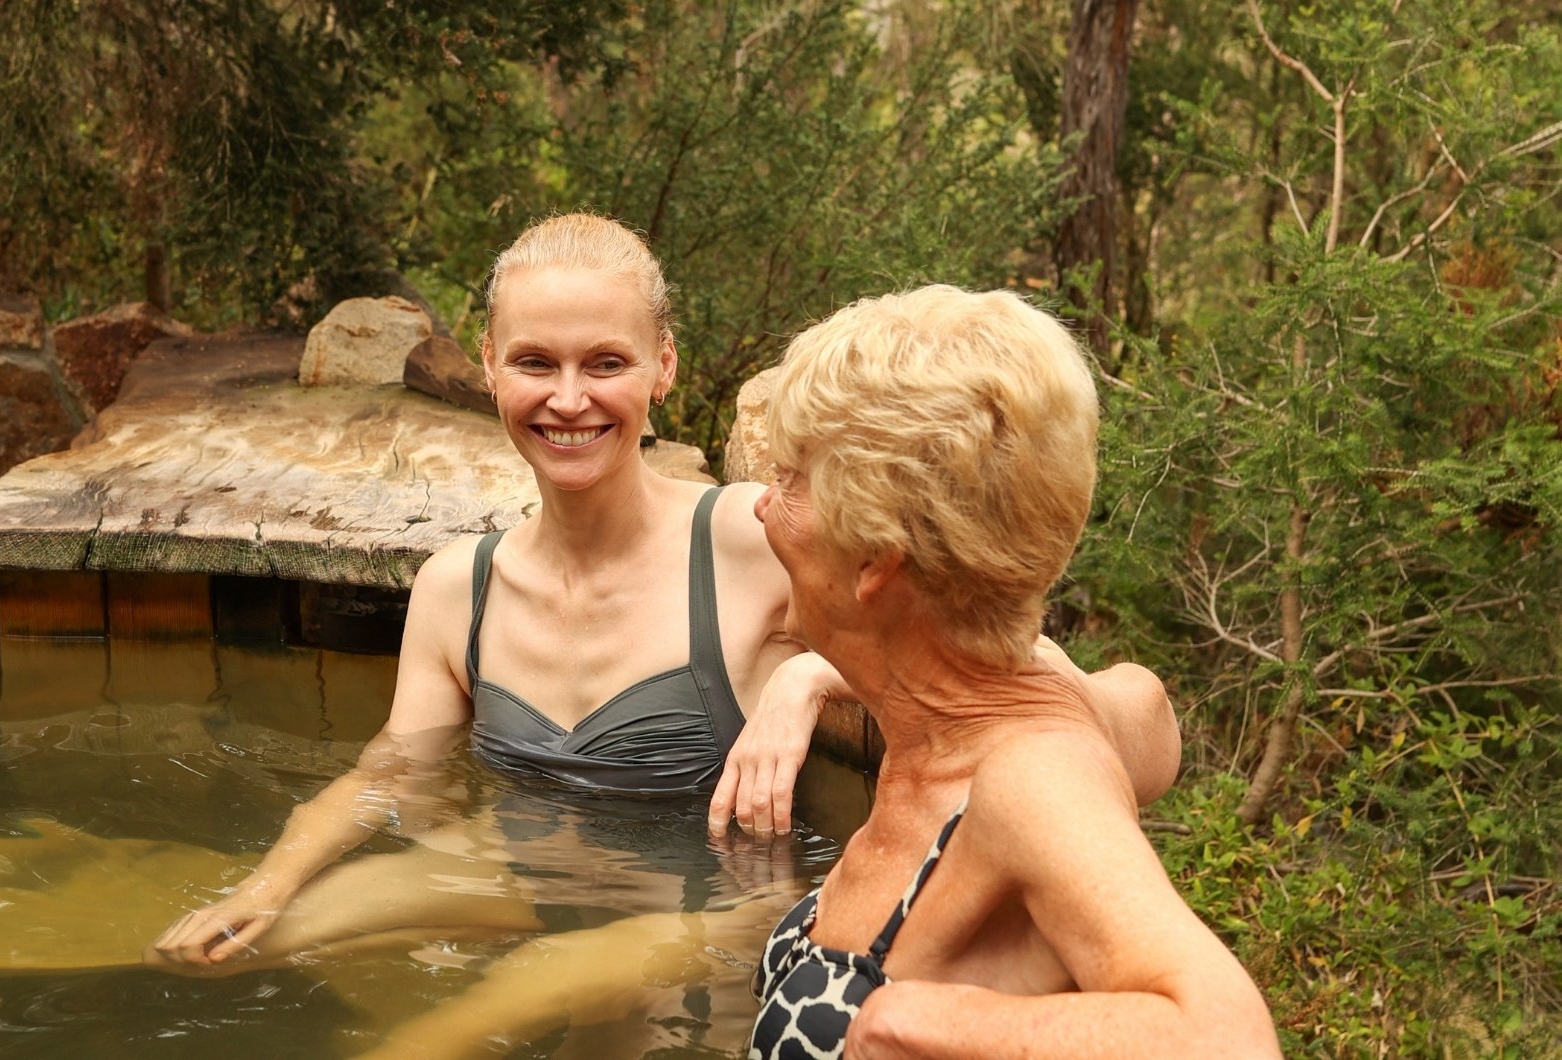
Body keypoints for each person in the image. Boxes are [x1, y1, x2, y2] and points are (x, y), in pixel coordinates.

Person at [146, 216, 1180, 1012]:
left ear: (663, 368)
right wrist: (271, 878)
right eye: (535, 364)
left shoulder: (757, 532)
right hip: (517, 879)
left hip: (706, 914)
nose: (568, 399)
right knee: (248, 941)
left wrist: (807, 673)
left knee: (480, 1020)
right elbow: (391, 773)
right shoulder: (456, 586)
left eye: (605, 363)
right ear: (490, 368)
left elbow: (983, 645)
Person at [745, 284, 1280, 1057]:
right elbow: (1150, 711)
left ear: (875, 558)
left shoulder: (1030, 778)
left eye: (793, 479)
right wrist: (811, 676)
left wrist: (915, 1024)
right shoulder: (1025, 707)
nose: (764, 505)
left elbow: (1226, 1040)